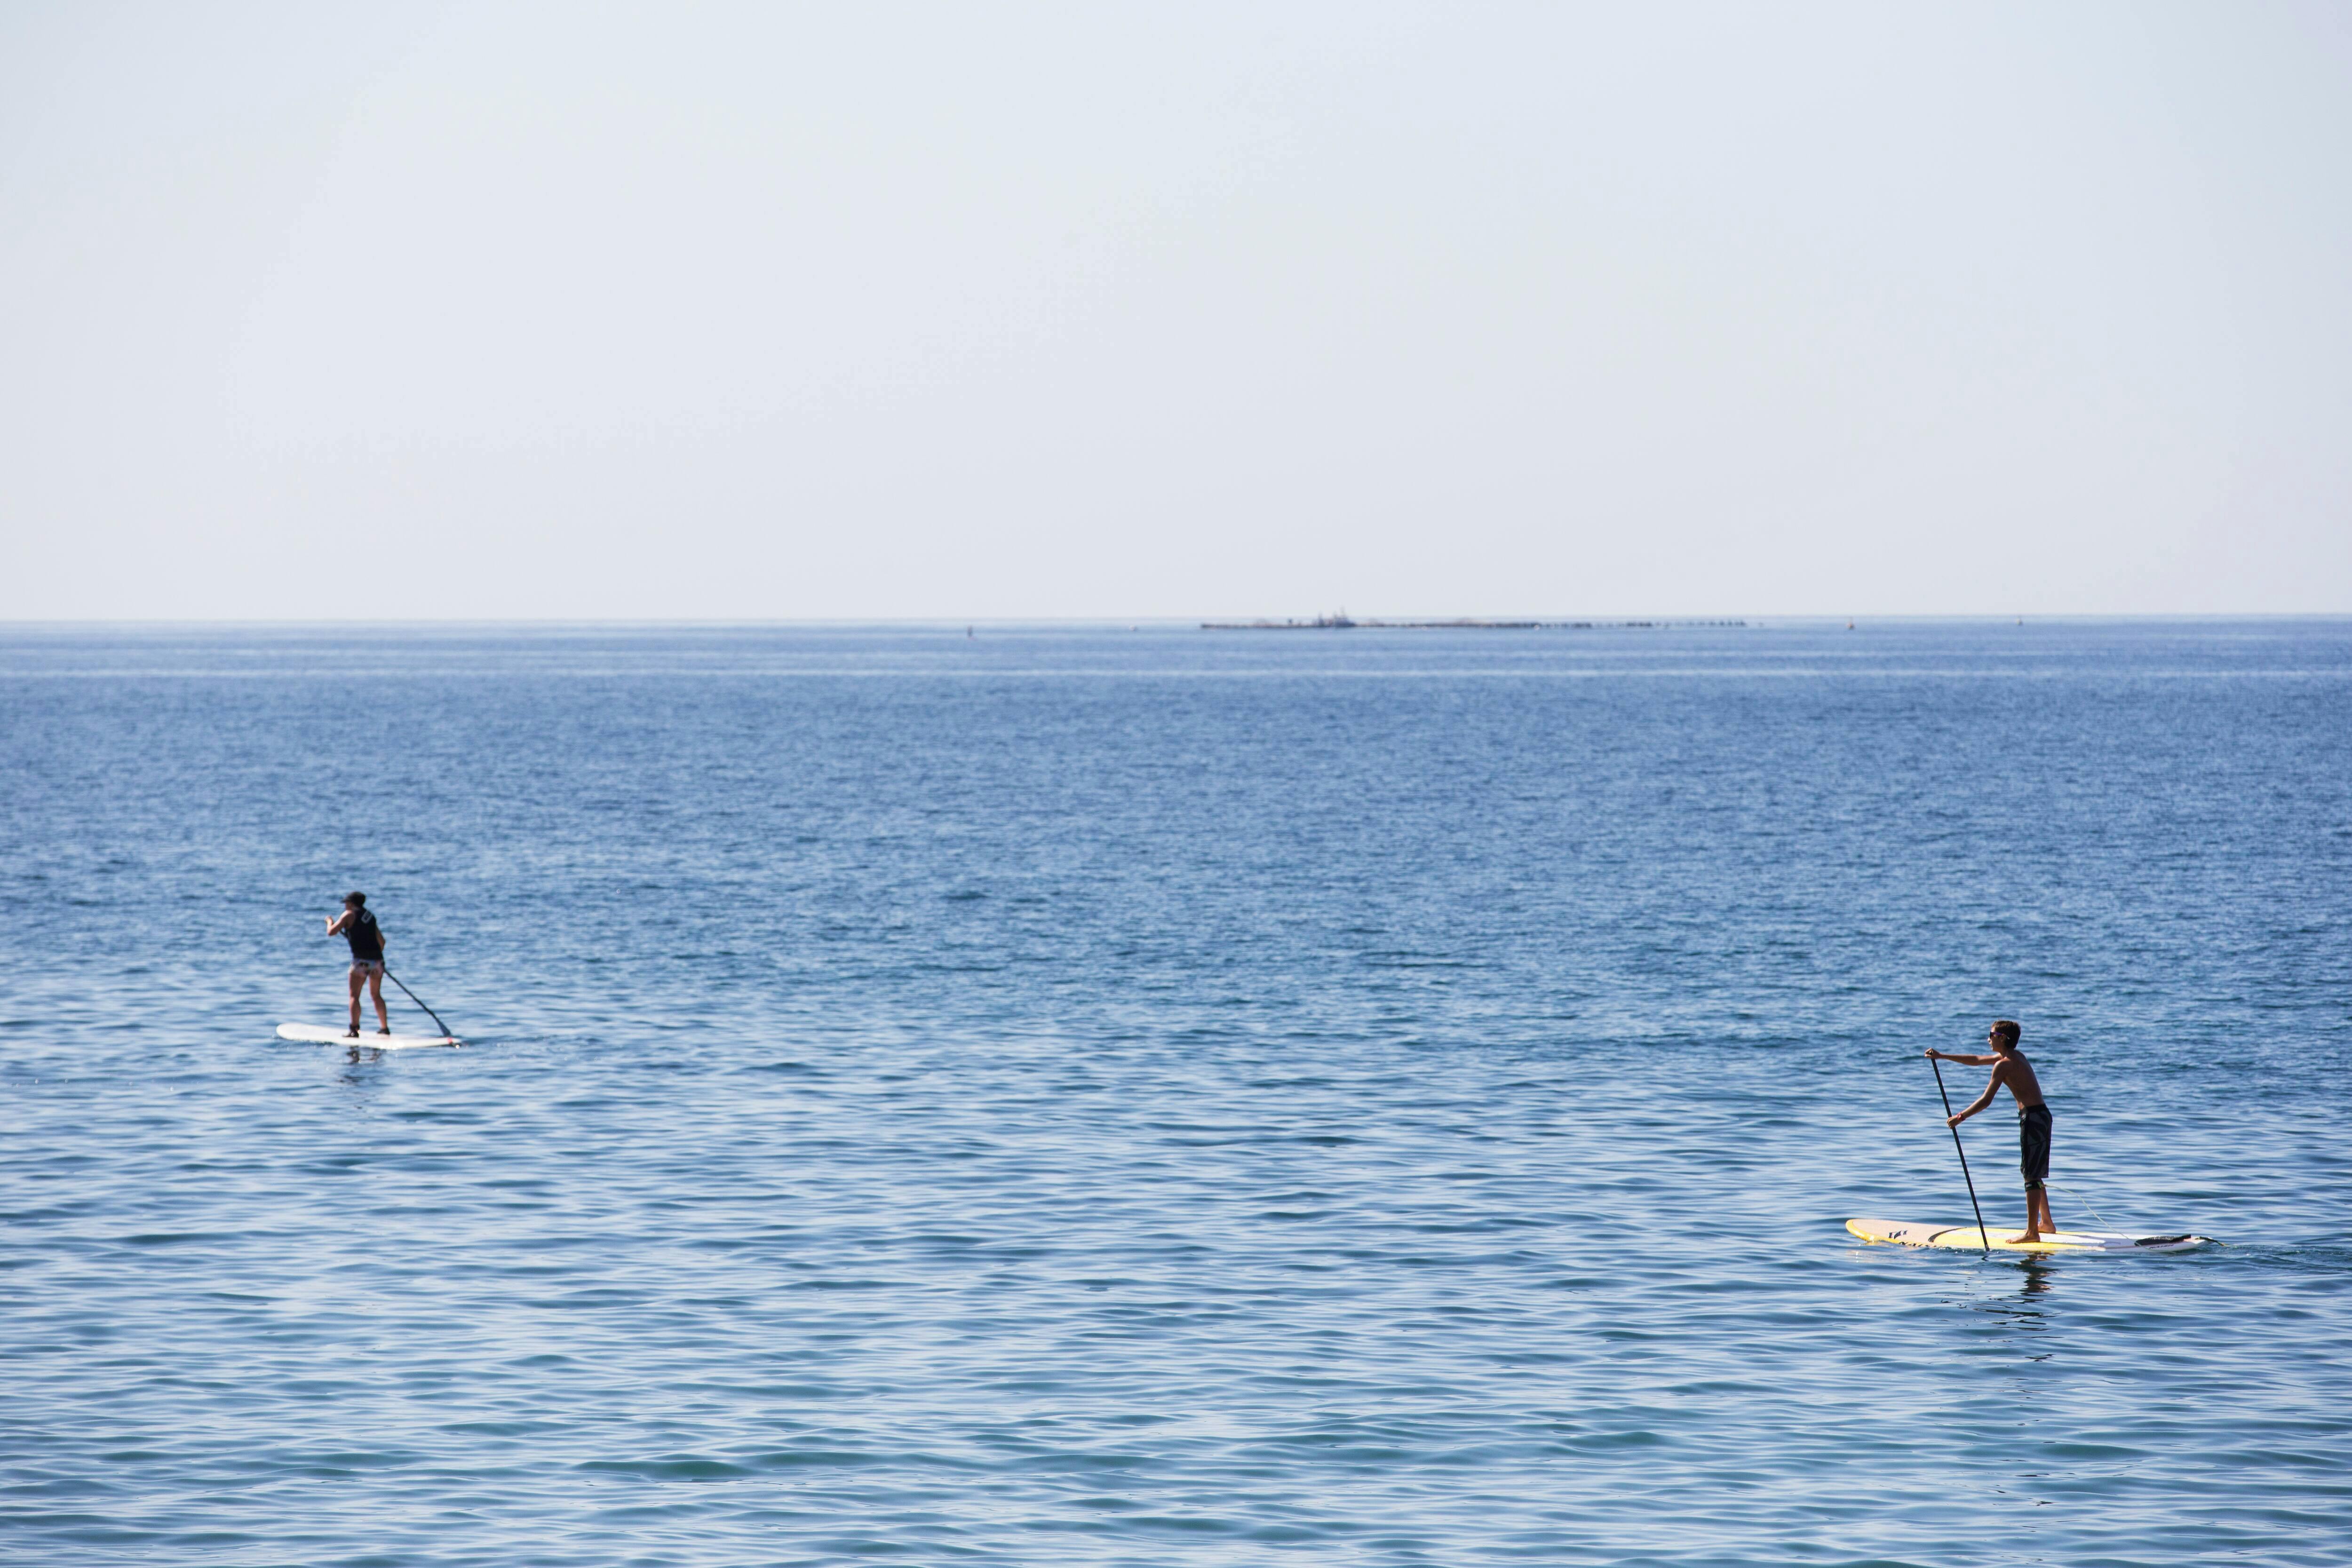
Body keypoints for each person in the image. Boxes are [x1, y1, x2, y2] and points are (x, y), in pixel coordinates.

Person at [1927, 1020, 2054, 1243]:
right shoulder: (2013, 1057)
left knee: (2031, 1175)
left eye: (1991, 1034)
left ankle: (2032, 1232)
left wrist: (1960, 1117)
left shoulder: (2004, 1065)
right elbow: (1976, 1060)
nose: (1988, 1039)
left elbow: (1986, 1100)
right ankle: (2046, 1224)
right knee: (2034, 1172)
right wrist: (1942, 1056)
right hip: (2041, 1116)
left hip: (2034, 1118)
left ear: (2002, 1038)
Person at [326, 891, 390, 1037]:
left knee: (354, 995)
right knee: (376, 995)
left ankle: (354, 1030)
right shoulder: (370, 917)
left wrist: (329, 921)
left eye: (346, 903)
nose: (345, 906)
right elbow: (382, 943)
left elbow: (331, 932)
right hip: (377, 961)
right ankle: (384, 1028)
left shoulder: (348, 915)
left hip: (360, 962)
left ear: (351, 903)